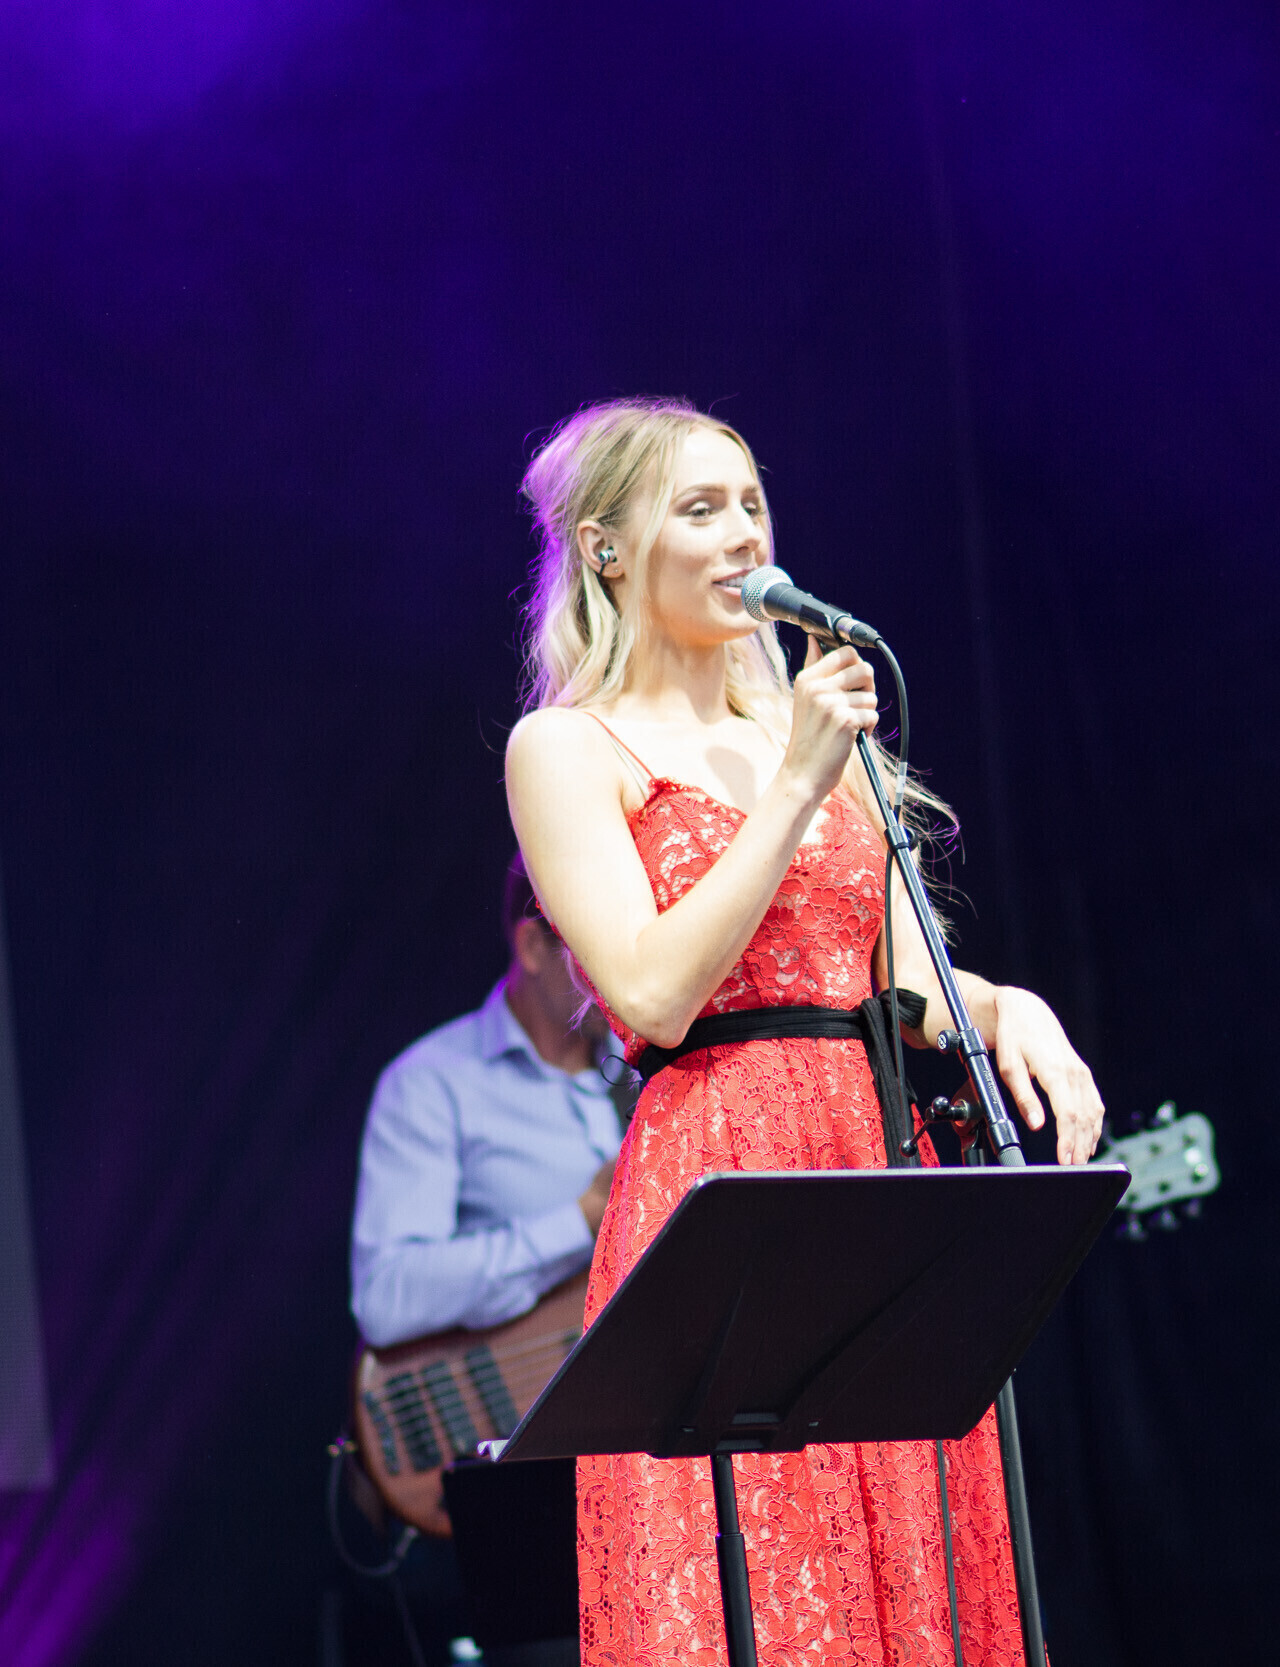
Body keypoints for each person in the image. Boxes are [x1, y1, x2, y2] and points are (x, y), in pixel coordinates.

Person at [503, 396, 1105, 1666]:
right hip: (723, 1161)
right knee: (775, 1581)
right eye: (700, 509)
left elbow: (902, 980)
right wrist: (792, 786)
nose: (743, 536)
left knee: (914, 1569)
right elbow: (650, 991)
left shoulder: (808, 735)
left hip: (869, 1156)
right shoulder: (565, 747)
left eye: (752, 504)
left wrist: (1013, 1006)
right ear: (606, 547)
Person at [351, 854, 627, 1350]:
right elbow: (386, 1296)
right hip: (531, 1390)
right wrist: (581, 1220)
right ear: (532, 947)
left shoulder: (653, 1067)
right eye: (597, 945)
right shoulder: (429, 1083)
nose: (622, 968)